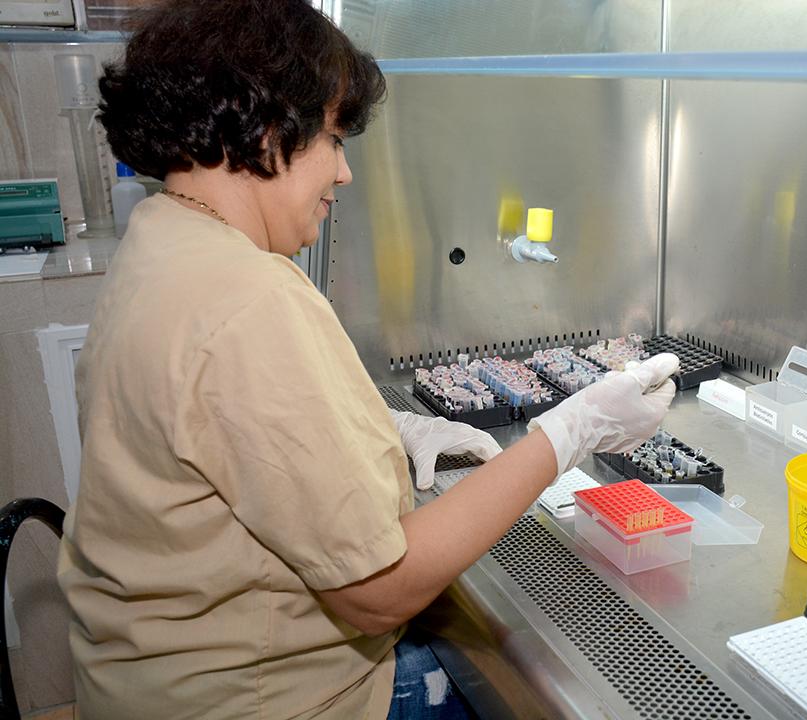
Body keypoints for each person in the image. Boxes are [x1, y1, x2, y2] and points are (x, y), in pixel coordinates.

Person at [56, 1, 678, 718]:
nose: (344, 172)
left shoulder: (164, 242)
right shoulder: (246, 297)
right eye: (332, 138)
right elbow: (385, 590)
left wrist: (386, 426)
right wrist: (574, 431)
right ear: (264, 130)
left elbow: (219, 421)